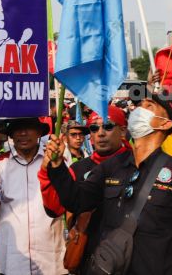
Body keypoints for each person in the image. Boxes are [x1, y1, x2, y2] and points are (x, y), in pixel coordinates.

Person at [47, 95, 172, 275]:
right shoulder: (110, 167)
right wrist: (57, 167)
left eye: (148, 107)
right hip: (111, 267)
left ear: (164, 124)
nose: (138, 110)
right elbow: (77, 201)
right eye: (139, 105)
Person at [39, 106, 131, 273]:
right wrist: (47, 171)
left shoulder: (136, 165)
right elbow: (54, 208)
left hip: (128, 259)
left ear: (123, 131)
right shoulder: (79, 168)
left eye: (108, 126)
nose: (101, 133)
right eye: (94, 128)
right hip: (89, 259)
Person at [0, 118, 66, 275]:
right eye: (17, 128)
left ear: (40, 132)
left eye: (28, 127)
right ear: (11, 135)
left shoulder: (56, 162)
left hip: (51, 262)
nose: (23, 133)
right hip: (12, 262)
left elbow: (68, 205)